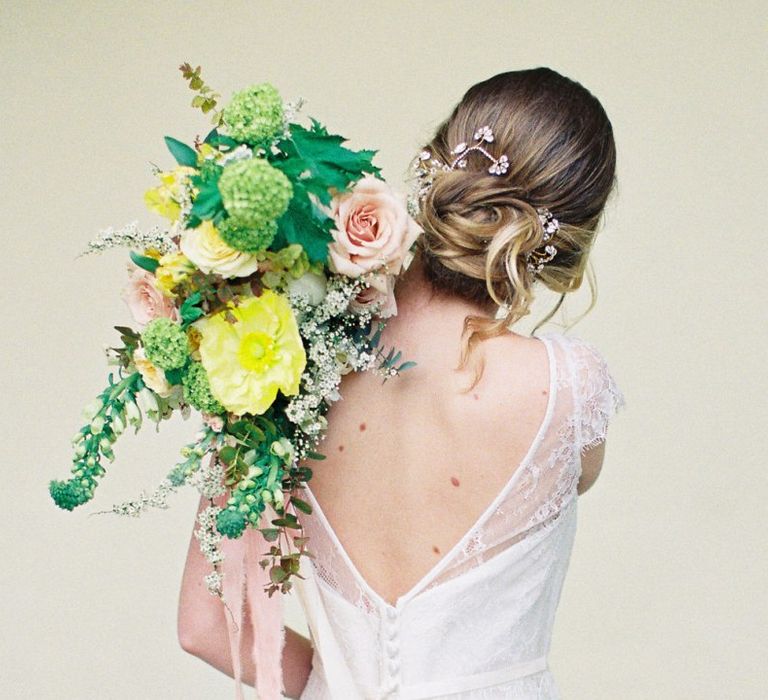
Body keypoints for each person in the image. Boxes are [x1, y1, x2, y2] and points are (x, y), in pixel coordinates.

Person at [178, 66, 625, 699]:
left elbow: (205, 625)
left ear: (431, 165)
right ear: (568, 241)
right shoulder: (566, 390)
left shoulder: (279, 362)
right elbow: (574, 473)